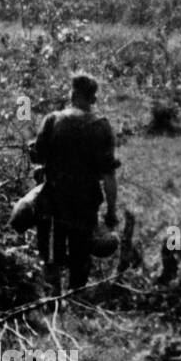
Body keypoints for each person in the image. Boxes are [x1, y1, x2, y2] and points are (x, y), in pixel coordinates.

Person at [29, 72, 120, 294]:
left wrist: (33, 148)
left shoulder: (52, 120)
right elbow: (108, 176)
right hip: (86, 202)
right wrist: (111, 211)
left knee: (51, 252)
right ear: (93, 99)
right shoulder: (102, 126)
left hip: (54, 200)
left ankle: (52, 301)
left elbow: (37, 158)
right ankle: (76, 298)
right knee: (81, 252)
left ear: (72, 94)